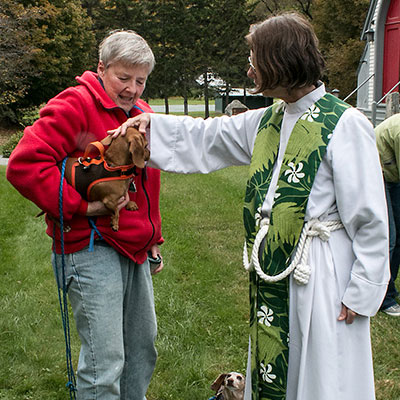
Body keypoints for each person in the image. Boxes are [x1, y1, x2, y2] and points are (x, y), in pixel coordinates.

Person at [110, 12, 389, 400]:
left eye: (256, 58)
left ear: (281, 61)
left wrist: (363, 288)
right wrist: (148, 127)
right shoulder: (268, 120)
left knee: (325, 372)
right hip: (275, 275)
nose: (250, 68)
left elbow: (371, 216)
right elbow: (210, 136)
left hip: (323, 276)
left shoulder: (344, 124)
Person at [6, 30, 163, 400]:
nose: (132, 89)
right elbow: (25, 164)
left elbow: (148, 182)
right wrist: (81, 207)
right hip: (89, 245)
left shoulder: (143, 114)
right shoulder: (74, 105)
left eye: (140, 80)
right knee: (104, 362)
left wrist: (153, 237)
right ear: (101, 68)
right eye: (123, 78)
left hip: (133, 247)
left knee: (141, 350)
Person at [375, 113, 400, 316]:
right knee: (388, 237)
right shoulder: (399, 131)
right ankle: (384, 297)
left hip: (394, 175)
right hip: (377, 174)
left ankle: (390, 288)